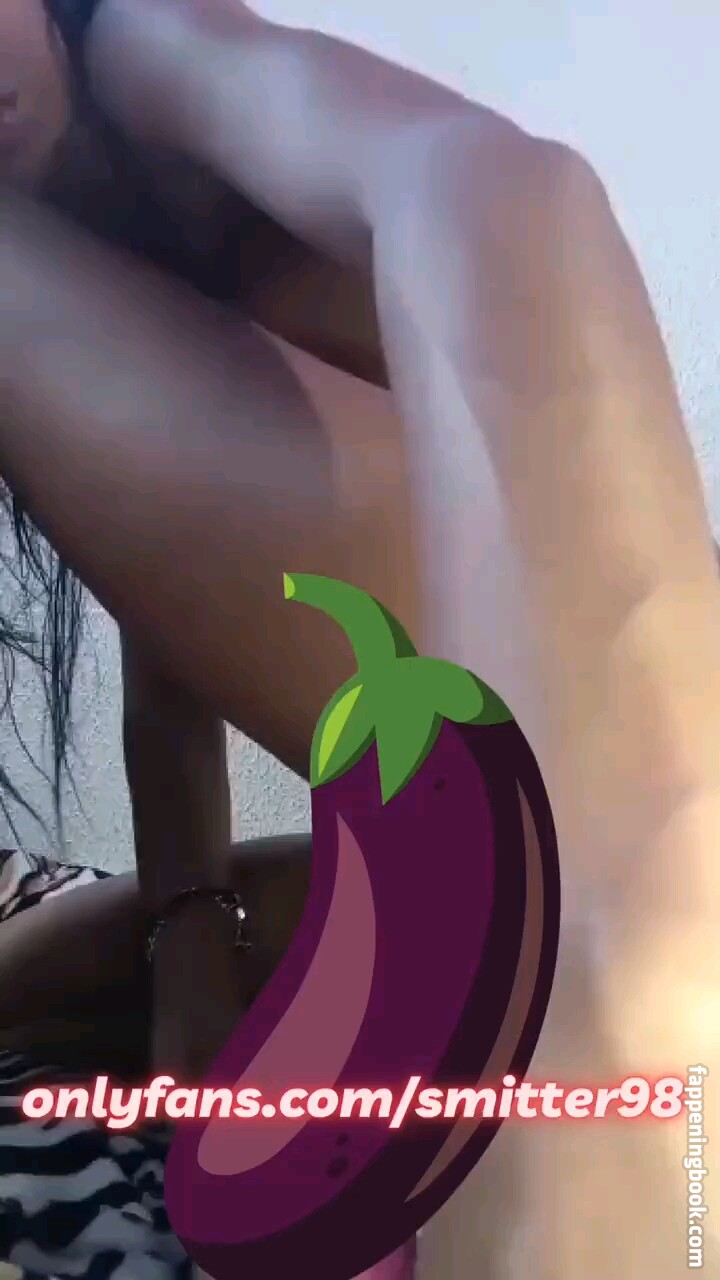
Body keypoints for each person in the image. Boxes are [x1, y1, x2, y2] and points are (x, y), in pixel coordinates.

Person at [2, 2, 719, 1280]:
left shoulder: (144, 41)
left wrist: (614, 976)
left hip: (629, 809)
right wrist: (188, 934)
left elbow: (507, 191)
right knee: (46, 966)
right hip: (456, 831)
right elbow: (181, 624)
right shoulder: (97, 281)